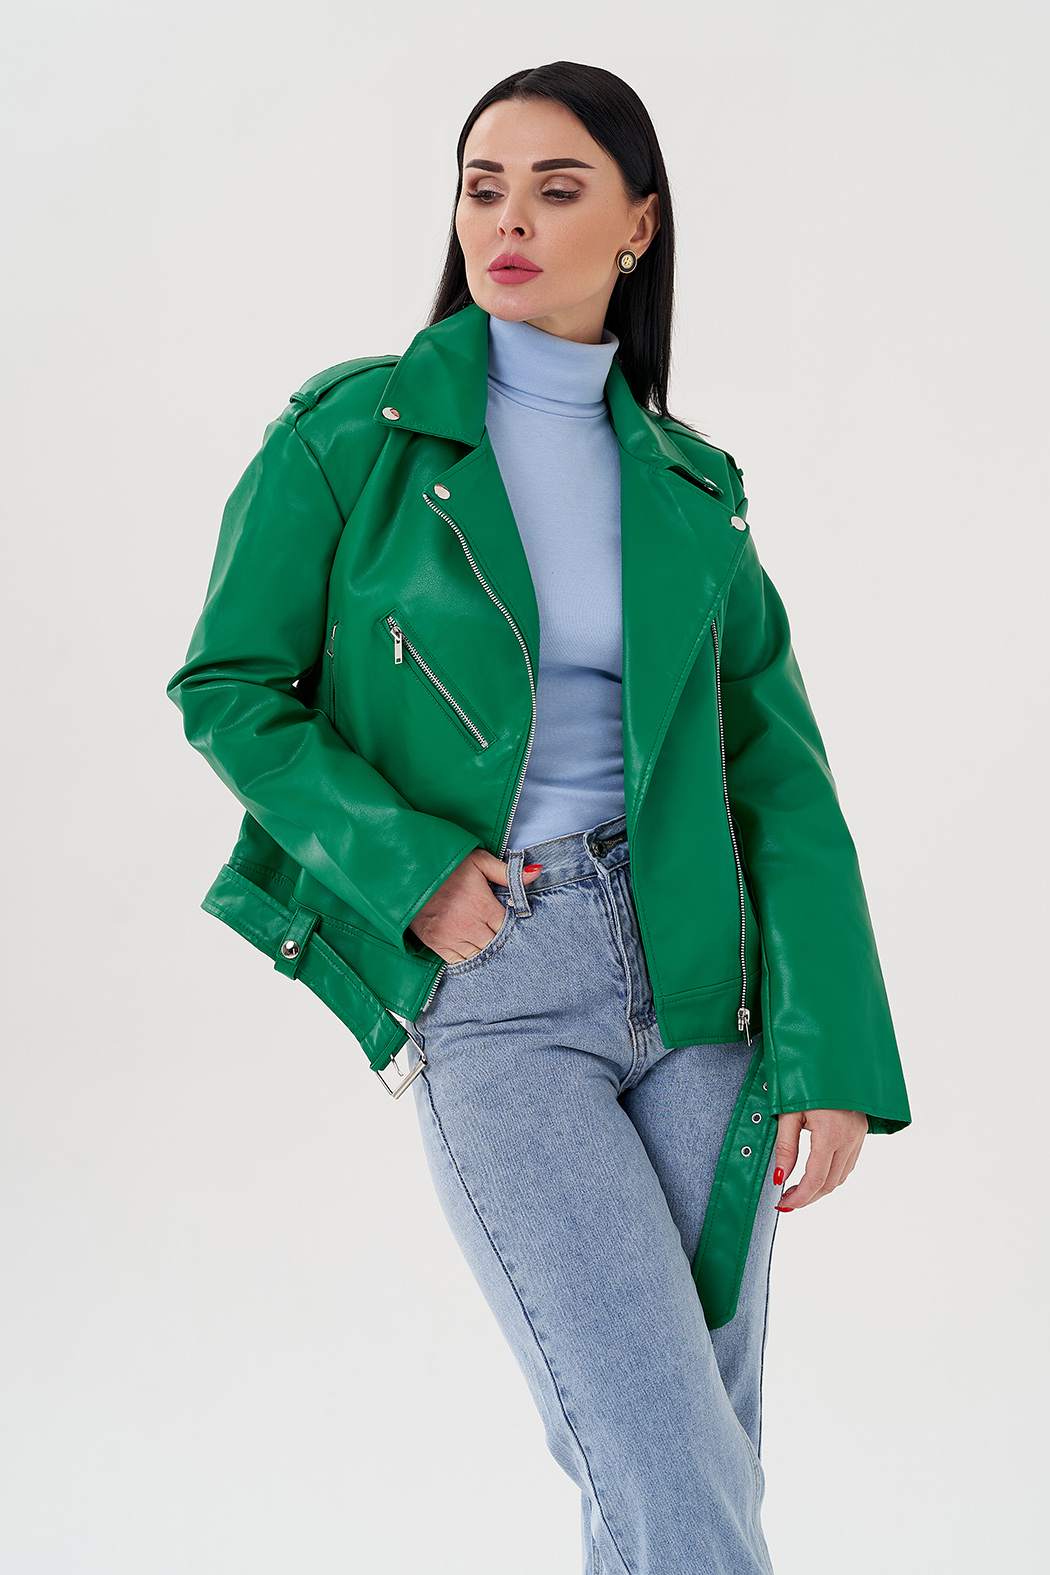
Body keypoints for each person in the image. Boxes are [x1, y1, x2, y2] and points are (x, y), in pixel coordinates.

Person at [167, 60, 911, 1575]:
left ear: (637, 225)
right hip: (499, 984)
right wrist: (412, 870)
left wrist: (829, 1054)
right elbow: (230, 687)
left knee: (698, 1446)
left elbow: (780, 779)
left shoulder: (691, 490)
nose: (507, 221)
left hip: (702, 984)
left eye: (556, 189)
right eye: (482, 186)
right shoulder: (352, 438)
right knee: (655, 1445)